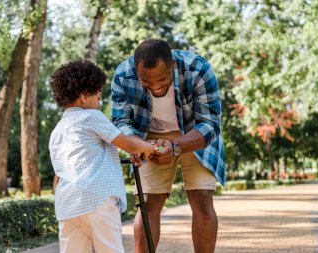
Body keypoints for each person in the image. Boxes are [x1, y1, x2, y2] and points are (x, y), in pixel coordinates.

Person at [111, 39, 225, 253]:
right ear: (136, 70)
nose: (155, 87)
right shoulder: (122, 75)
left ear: (173, 65)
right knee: (148, 203)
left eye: (162, 80)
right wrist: (136, 146)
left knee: (201, 198)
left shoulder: (199, 69)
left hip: (195, 132)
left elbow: (210, 123)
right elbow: (121, 121)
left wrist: (174, 146)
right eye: (146, 82)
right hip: (147, 136)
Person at [49, 60, 156, 253]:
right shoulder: (91, 117)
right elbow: (128, 144)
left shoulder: (57, 130)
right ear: (84, 97)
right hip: (97, 200)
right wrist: (149, 147)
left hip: (67, 206)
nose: (99, 104)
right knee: (110, 249)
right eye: (98, 98)